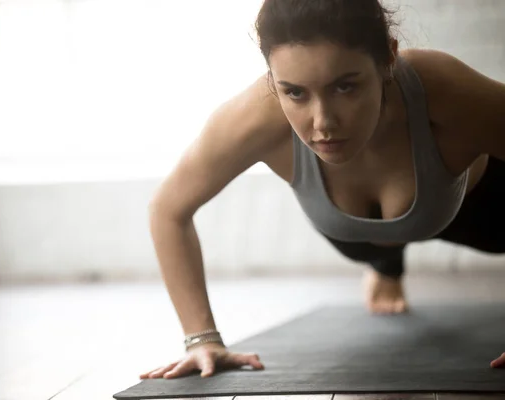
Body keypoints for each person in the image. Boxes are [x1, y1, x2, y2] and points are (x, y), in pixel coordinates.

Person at [140, 0, 505, 381]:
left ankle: (388, 261)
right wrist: (201, 340)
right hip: (355, 236)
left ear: (388, 60)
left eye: (345, 86)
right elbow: (167, 210)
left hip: (473, 209)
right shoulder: (254, 118)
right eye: (295, 93)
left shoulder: (442, 88)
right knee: (372, 245)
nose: (323, 123)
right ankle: (386, 263)